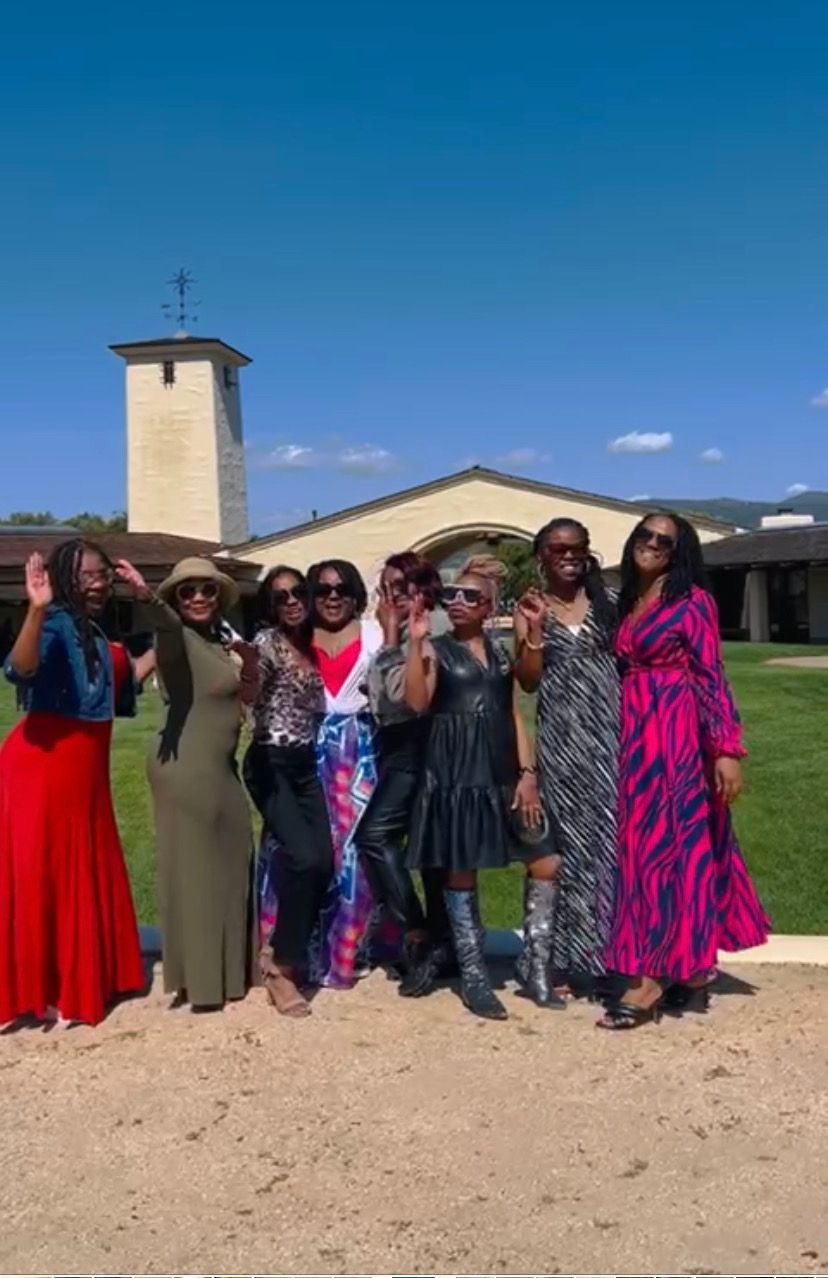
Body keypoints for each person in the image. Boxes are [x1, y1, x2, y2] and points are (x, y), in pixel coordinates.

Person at [598, 513, 770, 1030]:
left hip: (677, 739)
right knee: (643, 851)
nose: (651, 544)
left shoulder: (691, 602)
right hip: (637, 739)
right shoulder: (631, 599)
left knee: (669, 850)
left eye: (664, 541)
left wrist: (726, 749)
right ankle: (689, 971)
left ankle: (651, 978)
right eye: (645, 535)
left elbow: (711, 674)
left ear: (678, 552)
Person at [0, 541, 147, 1027]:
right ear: (66, 578)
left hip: (85, 770)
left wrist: (173, 634)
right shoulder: (56, 622)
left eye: (104, 574)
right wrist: (36, 610)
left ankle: (84, 974)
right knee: (49, 870)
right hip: (45, 766)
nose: (100, 583)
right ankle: (46, 987)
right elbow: (19, 669)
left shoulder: (94, 627)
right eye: (89, 576)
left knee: (81, 864)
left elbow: (127, 680)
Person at [403, 555, 555, 1021]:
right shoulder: (437, 648)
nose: (458, 601)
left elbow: (518, 701)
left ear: (490, 606)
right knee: (462, 872)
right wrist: (415, 643)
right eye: (452, 595)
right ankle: (473, 974)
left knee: (545, 859)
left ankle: (536, 963)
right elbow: (416, 702)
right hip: (456, 775)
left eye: (471, 596)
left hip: (503, 772)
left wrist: (528, 774)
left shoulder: (501, 651)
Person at [122, 556, 258, 1012]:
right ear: (175, 599)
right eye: (187, 591)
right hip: (185, 767)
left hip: (219, 768)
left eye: (207, 589)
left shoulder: (215, 642)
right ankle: (202, 982)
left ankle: (231, 969)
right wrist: (147, 597)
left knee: (232, 860)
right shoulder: (176, 636)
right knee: (197, 871)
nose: (198, 597)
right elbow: (163, 624)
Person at [513, 518, 619, 1002]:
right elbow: (528, 680)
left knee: (609, 848)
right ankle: (557, 960)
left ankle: (604, 959)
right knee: (565, 851)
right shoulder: (531, 607)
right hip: (561, 744)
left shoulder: (609, 601)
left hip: (612, 737)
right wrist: (535, 630)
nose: (569, 555)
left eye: (577, 546)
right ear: (542, 555)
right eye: (558, 548)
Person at [359, 552, 455, 996]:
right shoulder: (404, 631)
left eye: (403, 586)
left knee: (374, 836)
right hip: (400, 747)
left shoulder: (432, 630)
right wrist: (391, 634)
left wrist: (394, 637)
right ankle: (439, 943)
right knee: (426, 850)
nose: (393, 595)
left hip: (418, 747)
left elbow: (400, 699)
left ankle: (419, 935)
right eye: (387, 587)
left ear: (423, 586)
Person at [244, 566, 333, 1018]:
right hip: (269, 762)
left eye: (299, 592)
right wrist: (246, 670)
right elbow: (250, 691)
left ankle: (284, 951)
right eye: (281, 597)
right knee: (305, 858)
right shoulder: (266, 644)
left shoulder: (312, 645)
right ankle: (280, 966)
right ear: (271, 606)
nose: (293, 601)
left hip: (303, 766)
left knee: (324, 862)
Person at [307, 558, 389, 988]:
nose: (333, 596)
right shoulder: (298, 638)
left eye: (341, 588)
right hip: (311, 756)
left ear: (355, 594)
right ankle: (311, 950)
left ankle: (352, 950)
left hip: (364, 755)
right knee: (316, 852)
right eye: (323, 590)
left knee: (358, 854)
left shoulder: (375, 635)